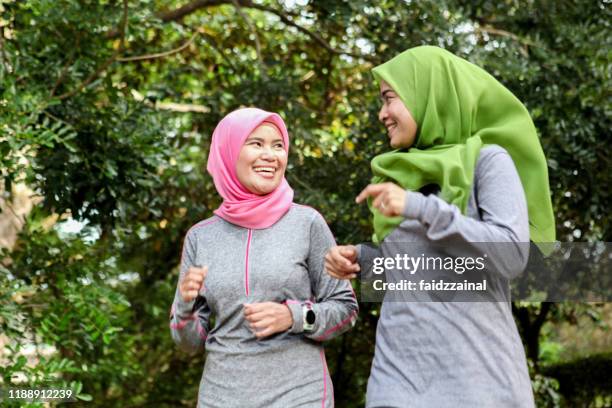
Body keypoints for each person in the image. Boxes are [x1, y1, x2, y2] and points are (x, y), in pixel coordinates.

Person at [325, 46, 555, 407]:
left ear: (428, 95)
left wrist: (420, 207)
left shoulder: (487, 161)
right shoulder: (395, 173)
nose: (382, 114)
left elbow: (511, 253)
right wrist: (362, 261)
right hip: (397, 379)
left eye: (389, 99)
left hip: (478, 382)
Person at [169, 107, 358, 408]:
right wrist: (184, 305)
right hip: (221, 397)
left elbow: (345, 310)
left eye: (278, 145)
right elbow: (190, 342)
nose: (271, 155)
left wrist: (293, 317)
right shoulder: (200, 237)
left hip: (300, 395)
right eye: (256, 143)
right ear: (229, 152)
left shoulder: (307, 224)